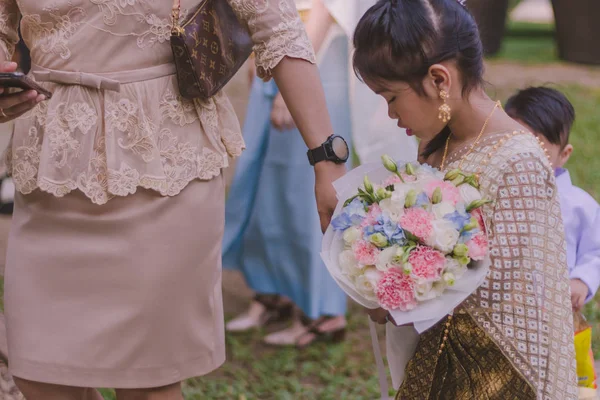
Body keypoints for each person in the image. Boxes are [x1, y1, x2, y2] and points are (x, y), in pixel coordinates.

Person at [0, 1, 345, 399]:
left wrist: (327, 158)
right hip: (53, 172)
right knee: (40, 373)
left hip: (164, 168)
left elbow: (279, 27)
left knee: (147, 380)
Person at [351, 0, 577, 398]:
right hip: (435, 356)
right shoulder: (438, 141)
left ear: (440, 79)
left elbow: (517, 305)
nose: (390, 114)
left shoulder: (518, 161)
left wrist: (404, 295)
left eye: (390, 97)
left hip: (495, 375)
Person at [506, 87, 600, 311]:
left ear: (564, 155)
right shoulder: (495, 195)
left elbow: (596, 250)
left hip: (557, 311)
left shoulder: (579, 205)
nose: (522, 154)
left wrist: (582, 280)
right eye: (513, 141)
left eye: (536, 145)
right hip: (504, 307)